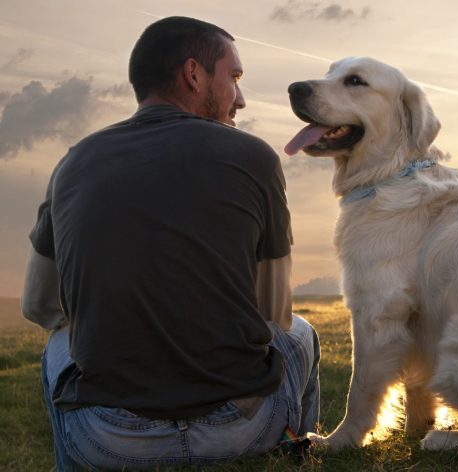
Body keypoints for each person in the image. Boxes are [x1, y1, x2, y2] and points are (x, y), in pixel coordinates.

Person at [20, 16, 320, 471]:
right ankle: (293, 453)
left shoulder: (73, 162)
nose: (241, 97)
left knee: (60, 342)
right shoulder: (255, 156)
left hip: (110, 441)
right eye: (234, 77)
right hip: (238, 430)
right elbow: (273, 311)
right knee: (300, 332)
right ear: (194, 74)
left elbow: (38, 306)